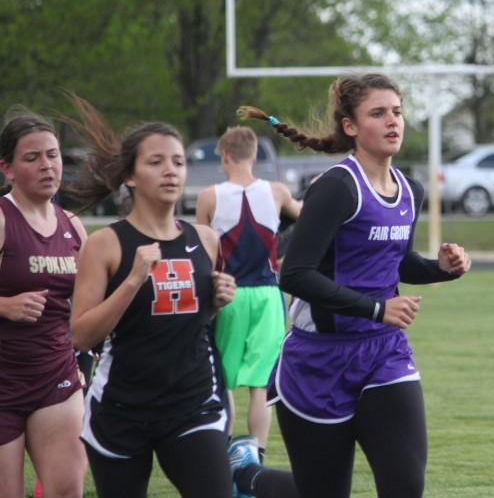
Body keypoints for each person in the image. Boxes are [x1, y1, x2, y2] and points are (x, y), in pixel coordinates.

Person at [236, 73, 471, 498]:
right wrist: (378, 308)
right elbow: (294, 274)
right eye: (377, 113)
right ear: (350, 126)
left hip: (385, 354)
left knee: (405, 487)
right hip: (318, 360)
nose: (392, 121)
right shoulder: (336, 187)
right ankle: (247, 477)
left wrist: (442, 268)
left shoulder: (410, 191)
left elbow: (398, 263)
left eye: (397, 111)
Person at [64, 96, 237, 498]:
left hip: (192, 403)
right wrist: (132, 281)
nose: (170, 171)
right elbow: (81, 337)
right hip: (122, 409)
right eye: (156, 162)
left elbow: (189, 319)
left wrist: (216, 299)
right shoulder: (105, 244)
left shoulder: (205, 239)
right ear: (130, 175)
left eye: (177, 161)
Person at [195, 126, 302, 462]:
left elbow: (200, 250)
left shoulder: (209, 195)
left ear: (224, 156)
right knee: (260, 385)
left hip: (229, 295)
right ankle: (255, 456)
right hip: (269, 297)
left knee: (223, 381)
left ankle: (221, 454)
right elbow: (310, 219)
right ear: (254, 156)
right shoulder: (277, 191)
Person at [0, 109, 88, 498]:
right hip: (3, 382)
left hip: (56, 378)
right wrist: (4, 306)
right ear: (7, 168)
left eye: (53, 155)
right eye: (32, 157)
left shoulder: (73, 224)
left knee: (67, 491)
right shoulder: (3, 219)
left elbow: (92, 304)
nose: (47, 165)